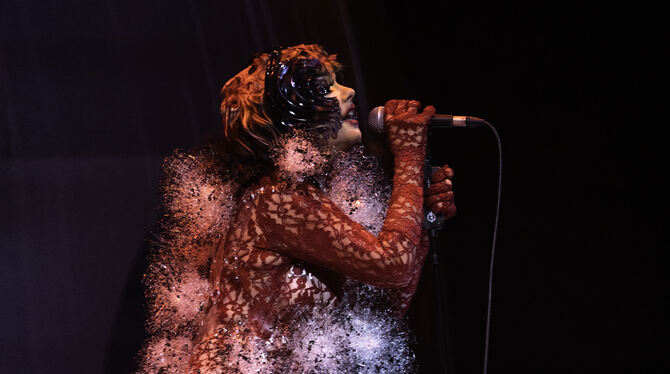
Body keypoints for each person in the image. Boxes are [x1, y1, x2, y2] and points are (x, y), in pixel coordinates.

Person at [137, 44, 456, 374]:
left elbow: (384, 305)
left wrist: (421, 217)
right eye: (324, 87)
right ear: (288, 113)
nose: (349, 92)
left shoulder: (307, 198)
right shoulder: (275, 199)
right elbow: (393, 266)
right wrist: (409, 158)